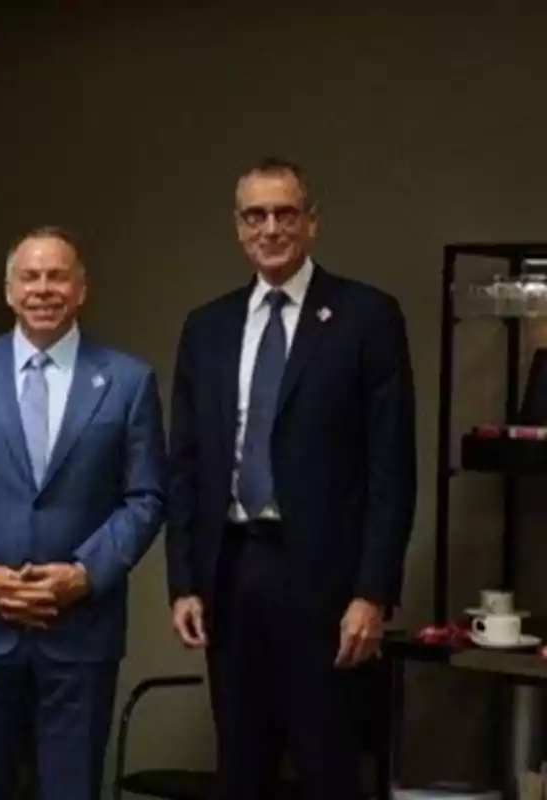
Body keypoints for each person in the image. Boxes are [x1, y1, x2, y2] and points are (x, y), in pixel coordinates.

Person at [165, 157, 417, 799]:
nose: (271, 228)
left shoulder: (366, 317)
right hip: (233, 571)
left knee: (328, 764)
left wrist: (373, 592)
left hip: (327, 584)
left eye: (285, 213)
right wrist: (185, 581)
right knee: (242, 768)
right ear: (238, 228)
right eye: (256, 215)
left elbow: (392, 467)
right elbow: (188, 463)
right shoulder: (208, 327)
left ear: (312, 222)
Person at [0, 226, 168, 800]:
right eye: (29, 277)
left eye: (57, 276)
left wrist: (84, 575)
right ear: (9, 291)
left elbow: (146, 497)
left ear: (81, 289)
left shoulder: (128, 380)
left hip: (81, 627)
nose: (43, 289)